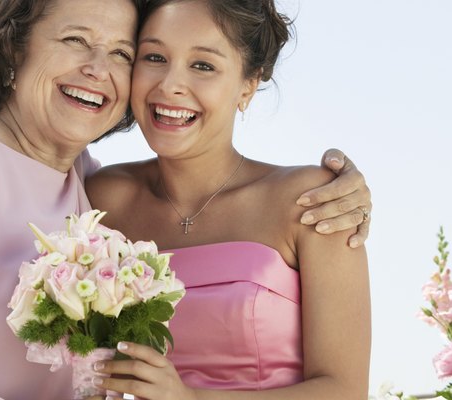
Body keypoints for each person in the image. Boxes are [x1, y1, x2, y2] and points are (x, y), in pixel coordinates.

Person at [0, 0, 371, 399]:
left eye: (122, 52)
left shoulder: (85, 184)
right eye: (76, 39)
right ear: (12, 50)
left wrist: (350, 185)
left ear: (249, 83)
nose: (99, 70)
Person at [88, 1, 370, 399]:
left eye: (203, 65)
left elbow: (344, 390)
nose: (170, 84)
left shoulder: (313, 200)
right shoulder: (103, 197)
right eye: (154, 57)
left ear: (248, 84)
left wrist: (190, 398)